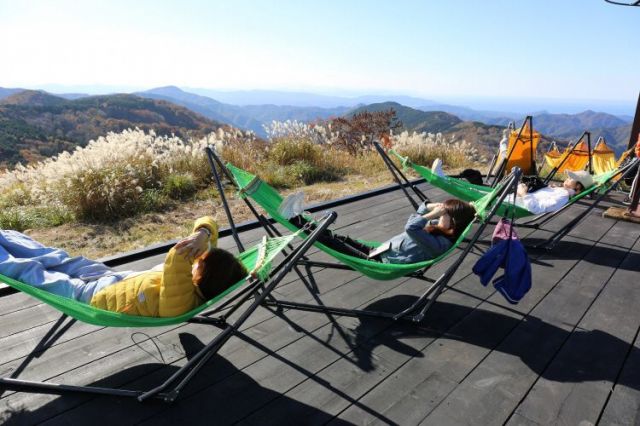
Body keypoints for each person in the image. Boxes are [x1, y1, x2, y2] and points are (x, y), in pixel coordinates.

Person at [0, 217, 248, 317]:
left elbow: (176, 257)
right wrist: (203, 233)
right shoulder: (194, 283)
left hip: (90, 297)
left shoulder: (181, 298)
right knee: (56, 257)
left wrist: (198, 241)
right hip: (113, 279)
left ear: (201, 276)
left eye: (200, 262)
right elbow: (207, 224)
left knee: (30, 272)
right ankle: (4, 236)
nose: (197, 258)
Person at [279, 194, 476, 264]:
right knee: (339, 238)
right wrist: (432, 207)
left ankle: (294, 219)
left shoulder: (439, 244)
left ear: (454, 224)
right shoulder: (440, 231)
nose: (440, 216)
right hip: (379, 251)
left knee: (331, 242)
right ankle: (302, 218)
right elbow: (417, 216)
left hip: (379, 262)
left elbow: (411, 227)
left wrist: (431, 215)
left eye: (444, 216)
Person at [514, 170, 594, 214]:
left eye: (571, 178)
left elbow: (536, 208)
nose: (567, 178)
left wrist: (523, 194)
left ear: (578, 186)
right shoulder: (561, 190)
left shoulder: (563, 196)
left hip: (512, 203)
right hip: (515, 197)